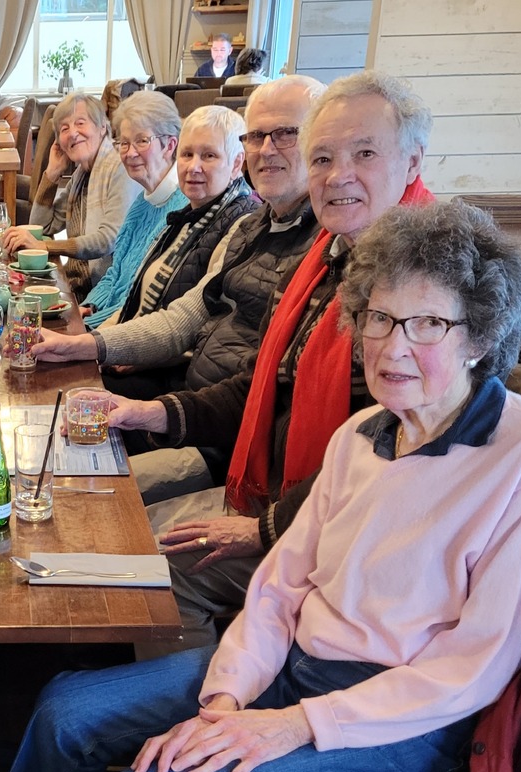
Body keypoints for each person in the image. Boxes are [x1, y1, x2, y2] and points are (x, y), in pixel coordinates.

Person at [1, 198, 521, 772]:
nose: (393, 346)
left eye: (428, 323)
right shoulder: (361, 434)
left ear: (480, 335)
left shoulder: (515, 461)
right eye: (379, 317)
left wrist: (294, 724)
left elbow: (471, 668)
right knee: (65, 711)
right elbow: (280, 586)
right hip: (294, 662)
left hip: (402, 722)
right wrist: (228, 697)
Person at [103, 70, 435, 655]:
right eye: (323, 157)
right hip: (272, 486)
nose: (337, 175)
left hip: (352, 541)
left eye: (364, 154)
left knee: (149, 559)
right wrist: (153, 413)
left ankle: (218, 699)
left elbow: (401, 462)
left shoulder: (424, 288)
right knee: (113, 523)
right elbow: (265, 384)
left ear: (412, 162)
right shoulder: (329, 257)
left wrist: (266, 527)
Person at [34, 76, 325, 504]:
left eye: (285, 134)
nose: (267, 149)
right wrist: (86, 344)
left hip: (214, 434)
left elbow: (258, 386)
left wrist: (150, 403)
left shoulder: (307, 242)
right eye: (258, 136)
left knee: (74, 487)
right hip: (188, 403)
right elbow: (182, 319)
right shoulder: (251, 227)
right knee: (48, 423)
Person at [53, 104, 257, 402]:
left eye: (209, 156)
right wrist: (92, 335)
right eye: (188, 155)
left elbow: (194, 325)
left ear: (237, 163)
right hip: (138, 349)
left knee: (61, 389)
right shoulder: (188, 215)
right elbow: (128, 289)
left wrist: (100, 343)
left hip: (176, 379)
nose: (194, 166)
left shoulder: (237, 222)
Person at [0, 92, 138, 301]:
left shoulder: (119, 167)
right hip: (75, 286)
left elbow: (108, 240)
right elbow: (43, 227)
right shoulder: (81, 174)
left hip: (103, 296)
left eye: (80, 123)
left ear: (102, 127)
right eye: (64, 129)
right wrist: (52, 174)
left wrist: (45, 246)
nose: (73, 133)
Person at [76, 91, 188, 329]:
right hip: (104, 323)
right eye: (124, 143)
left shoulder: (182, 209)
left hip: (129, 333)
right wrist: (88, 306)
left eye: (142, 141)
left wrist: (87, 328)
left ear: (170, 145)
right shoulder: (142, 202)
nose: (130, 153)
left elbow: (140, 300)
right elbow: (116, 272)